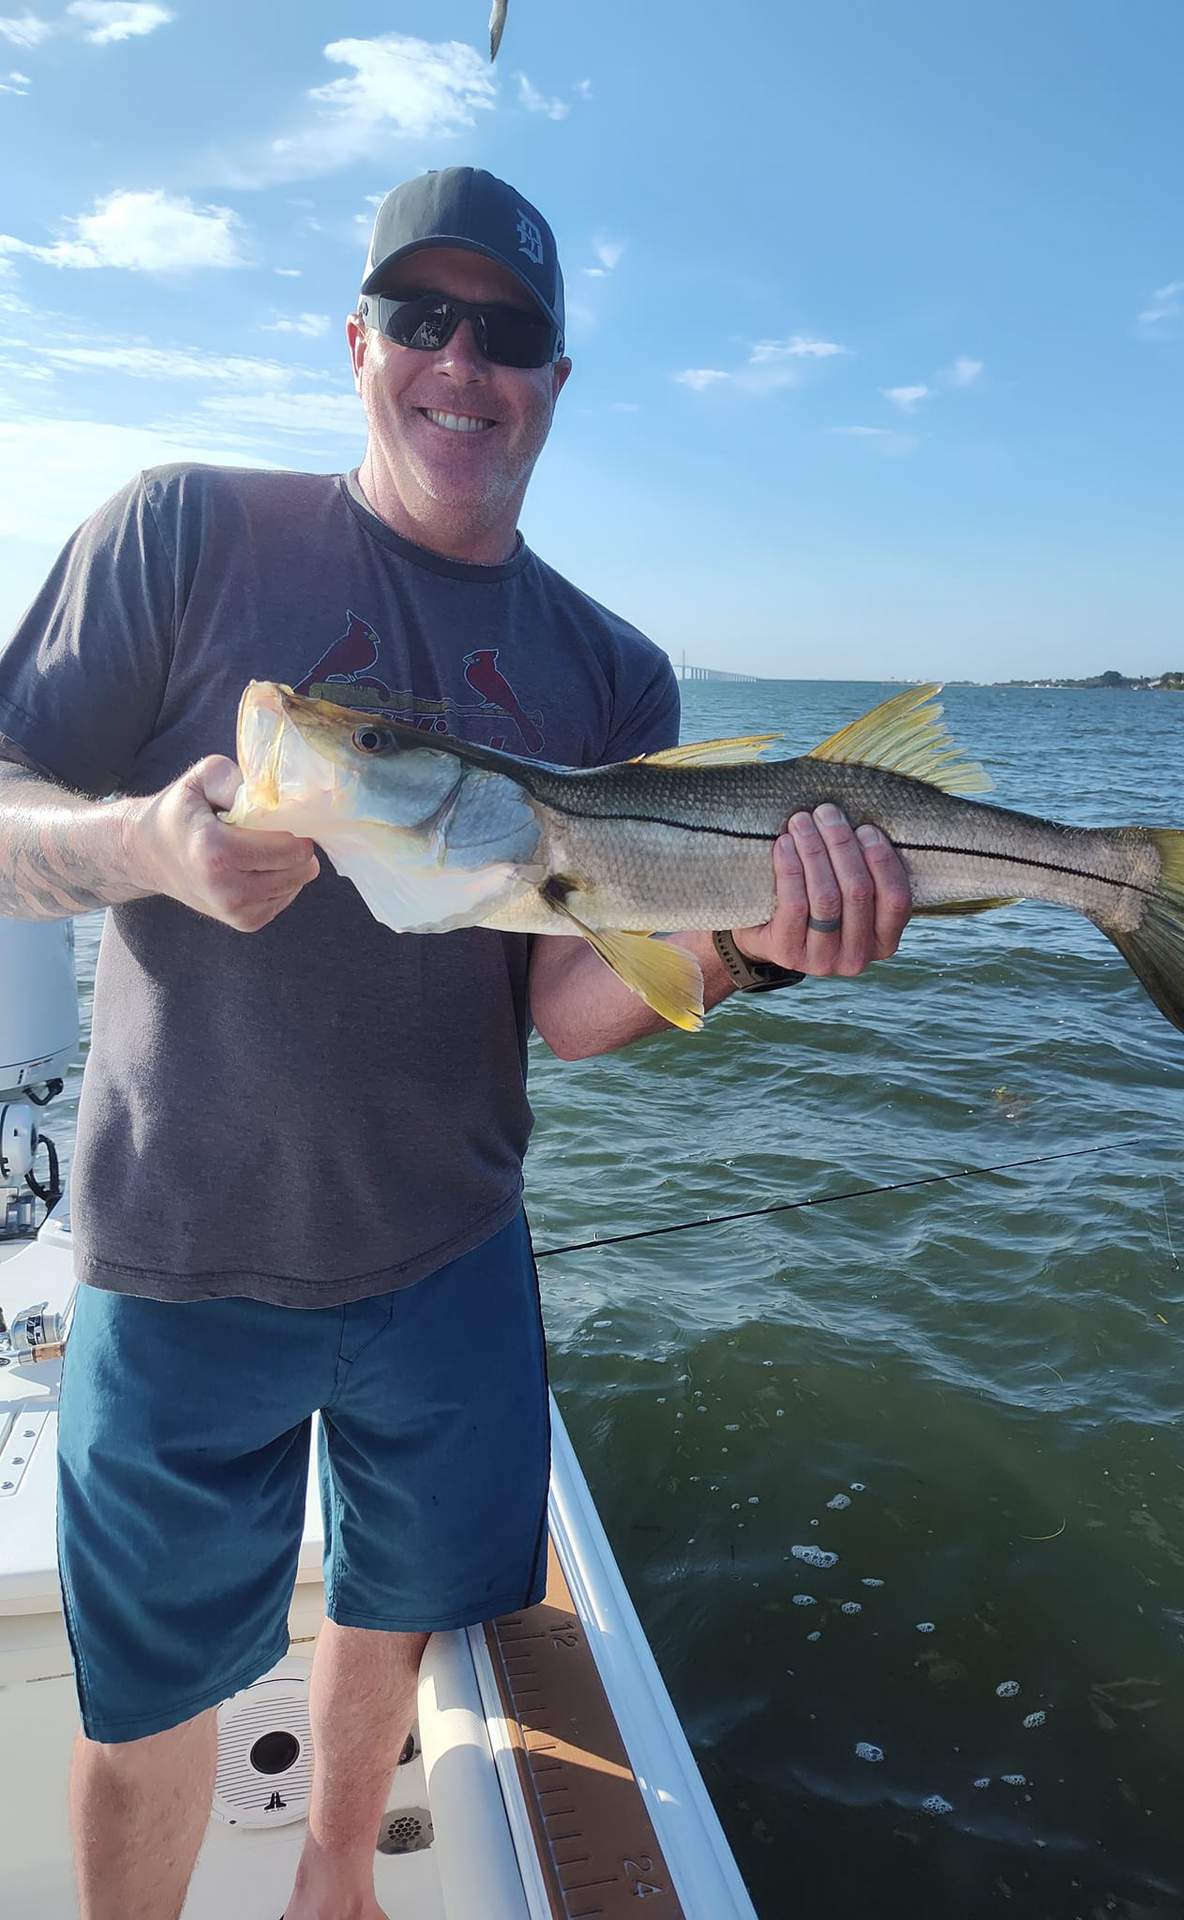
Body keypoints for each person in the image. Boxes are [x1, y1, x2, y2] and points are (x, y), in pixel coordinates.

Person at [0, 166, 913, 1920]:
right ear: (357, 343)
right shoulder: (183, 527)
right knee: (145, 1701)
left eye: (511, 334)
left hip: (448, 1256)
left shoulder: (611, 672)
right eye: (423, 319)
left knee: (393, 1605)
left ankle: (339, 1877)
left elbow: (573, 1008)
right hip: (176, 1248)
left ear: (558, 378)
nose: (463, 364)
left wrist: (756, 952)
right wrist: (145, 848)